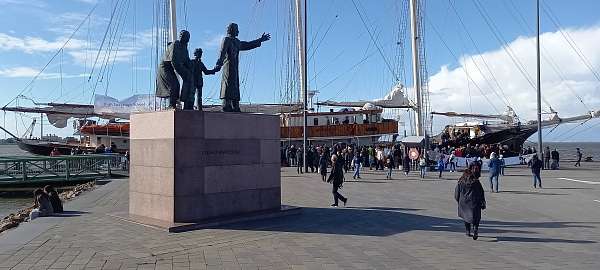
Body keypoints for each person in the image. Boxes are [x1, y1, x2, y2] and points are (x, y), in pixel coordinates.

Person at [215, 23, 271, 112]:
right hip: (228, 67)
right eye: (237, 29)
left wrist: (260, 40)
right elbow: (222, 52)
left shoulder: (237, 42)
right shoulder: (226, 40)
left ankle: (235, 105)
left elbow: (247, 45)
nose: (238, 31)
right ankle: (226, 104)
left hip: (235, 67)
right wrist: (219, 64)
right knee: (228, 83)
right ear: (232, 30)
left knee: (235, 85)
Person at [454, 169, 486, 240]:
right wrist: (482, 201)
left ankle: (468, 231)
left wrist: (459, 201)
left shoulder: (460, 182)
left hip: (464, 203)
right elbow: (481, 192)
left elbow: (456, 194)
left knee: (466, 217)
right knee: (476, 217)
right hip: (475, 202)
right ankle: (475, 229)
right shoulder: (477, 182)